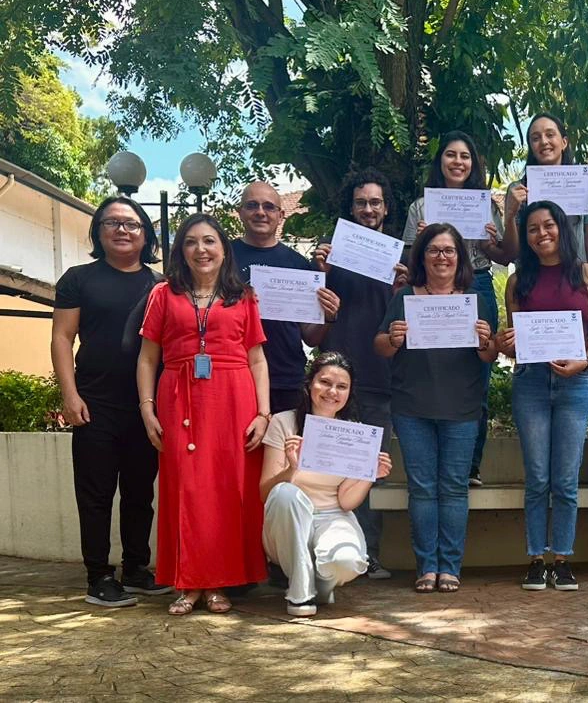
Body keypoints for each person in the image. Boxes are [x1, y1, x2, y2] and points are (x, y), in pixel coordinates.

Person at [136, 214, 272, 615]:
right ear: (181, 251)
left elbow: (258, 359)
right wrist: (147, 409)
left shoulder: (243, 296)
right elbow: (147, 359)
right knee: (186, 489)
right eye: (191, 242)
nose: (201, 249)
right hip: (179, 397)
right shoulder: (163, 294)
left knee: (229, 491)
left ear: (223, 249)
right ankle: (189, 582)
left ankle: (219, 582)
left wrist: (263, 413)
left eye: (209, 241)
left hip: (234, 399)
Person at [51, 196, 168, 607]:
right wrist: (70, 395)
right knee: (96, 493)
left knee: (140, 492)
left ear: (146, 235)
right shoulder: (78, 278)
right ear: (98, 232)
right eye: (112, 223)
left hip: (145, 405)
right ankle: (98, 575)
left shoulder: (159, 285)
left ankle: (137, 568)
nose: (122, 230)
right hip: (94, 403)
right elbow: (62, 338)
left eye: (132, 224)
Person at [375, 223, 499, 594]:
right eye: (434, 250)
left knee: (454, 489)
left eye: (449, 251)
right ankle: (426, 566)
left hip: (462, 408)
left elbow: (490, 354)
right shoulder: (404, 298)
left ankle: (451, 567)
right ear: (422, 257)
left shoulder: (473, 301)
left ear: (459, 257)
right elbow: (380, 345)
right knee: (423, 489)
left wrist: (484, 340)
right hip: (412, 407)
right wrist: (394, 338)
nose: (442, 257)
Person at [496, 200, 588, 591]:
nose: (542, 234)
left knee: (564, 478)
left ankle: (561, 558)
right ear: (525, 237)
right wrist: (506, 343)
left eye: (549, 226)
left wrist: (584, 361)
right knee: (538, 477)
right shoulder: (517, 281)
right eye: (533, 229)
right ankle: (534, 559)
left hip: (575, 384)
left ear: (562, 228)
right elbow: (514, 346)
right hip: (530, 383)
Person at [402, 133, 510, 488]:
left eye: (466, 156)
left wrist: (490, 242)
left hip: (476, 283)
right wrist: (421, 242)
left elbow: (504, 258)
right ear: (441, 161)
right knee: (431, 364)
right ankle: (433, 458)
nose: (458, 162)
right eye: (451, 155)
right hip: (430, 289)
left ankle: (470, 466)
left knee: (476, 372)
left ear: (474, 164)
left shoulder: (487, 205)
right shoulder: (420, 206)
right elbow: (407, 260)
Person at [311, 168, 403, 580]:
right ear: (351, 208)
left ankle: (368, 555)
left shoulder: (402, 261)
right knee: (327, 466)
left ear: (386, 209)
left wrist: (405, 286)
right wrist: (322, 272)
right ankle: (321, 551)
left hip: (380, 379)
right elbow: (311, 325)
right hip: (335, 382)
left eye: (375, 203)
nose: (368, 209)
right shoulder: (333, 256)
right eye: (361, 202)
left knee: (368, 472)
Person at [259, 352, 394, 616]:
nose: (332, 392)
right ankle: (299, 594)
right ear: (310, 384)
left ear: (349, 393)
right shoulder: (284, 422)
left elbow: (346, 502)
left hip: (332, 517)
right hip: (286, 520)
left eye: (341, 386)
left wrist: (370, 475)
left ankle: (318, 584)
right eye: (325, 382)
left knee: (348, 561)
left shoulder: (354, 433)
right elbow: (266, 492)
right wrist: (292, 467)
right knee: (287, 494)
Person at [231, 181, 340, 413]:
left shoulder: (299, 265)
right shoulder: (222, 259)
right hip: (235, 375)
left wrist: (328, 318)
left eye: (269, 207)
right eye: (252, 205)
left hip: (286, 379)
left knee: (285, 449)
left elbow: (310, 337)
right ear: (241, 212)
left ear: (281, 215)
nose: (261, 212)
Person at [500, 113, 588, 263]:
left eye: (550, 135)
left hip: (574, 277)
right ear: (531, 147)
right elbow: (512, 253)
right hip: (531, 278)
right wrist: (510, 217)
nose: (544, 142)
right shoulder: (518, 190)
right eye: (536, 138)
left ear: (564, 142)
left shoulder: (584, 185)